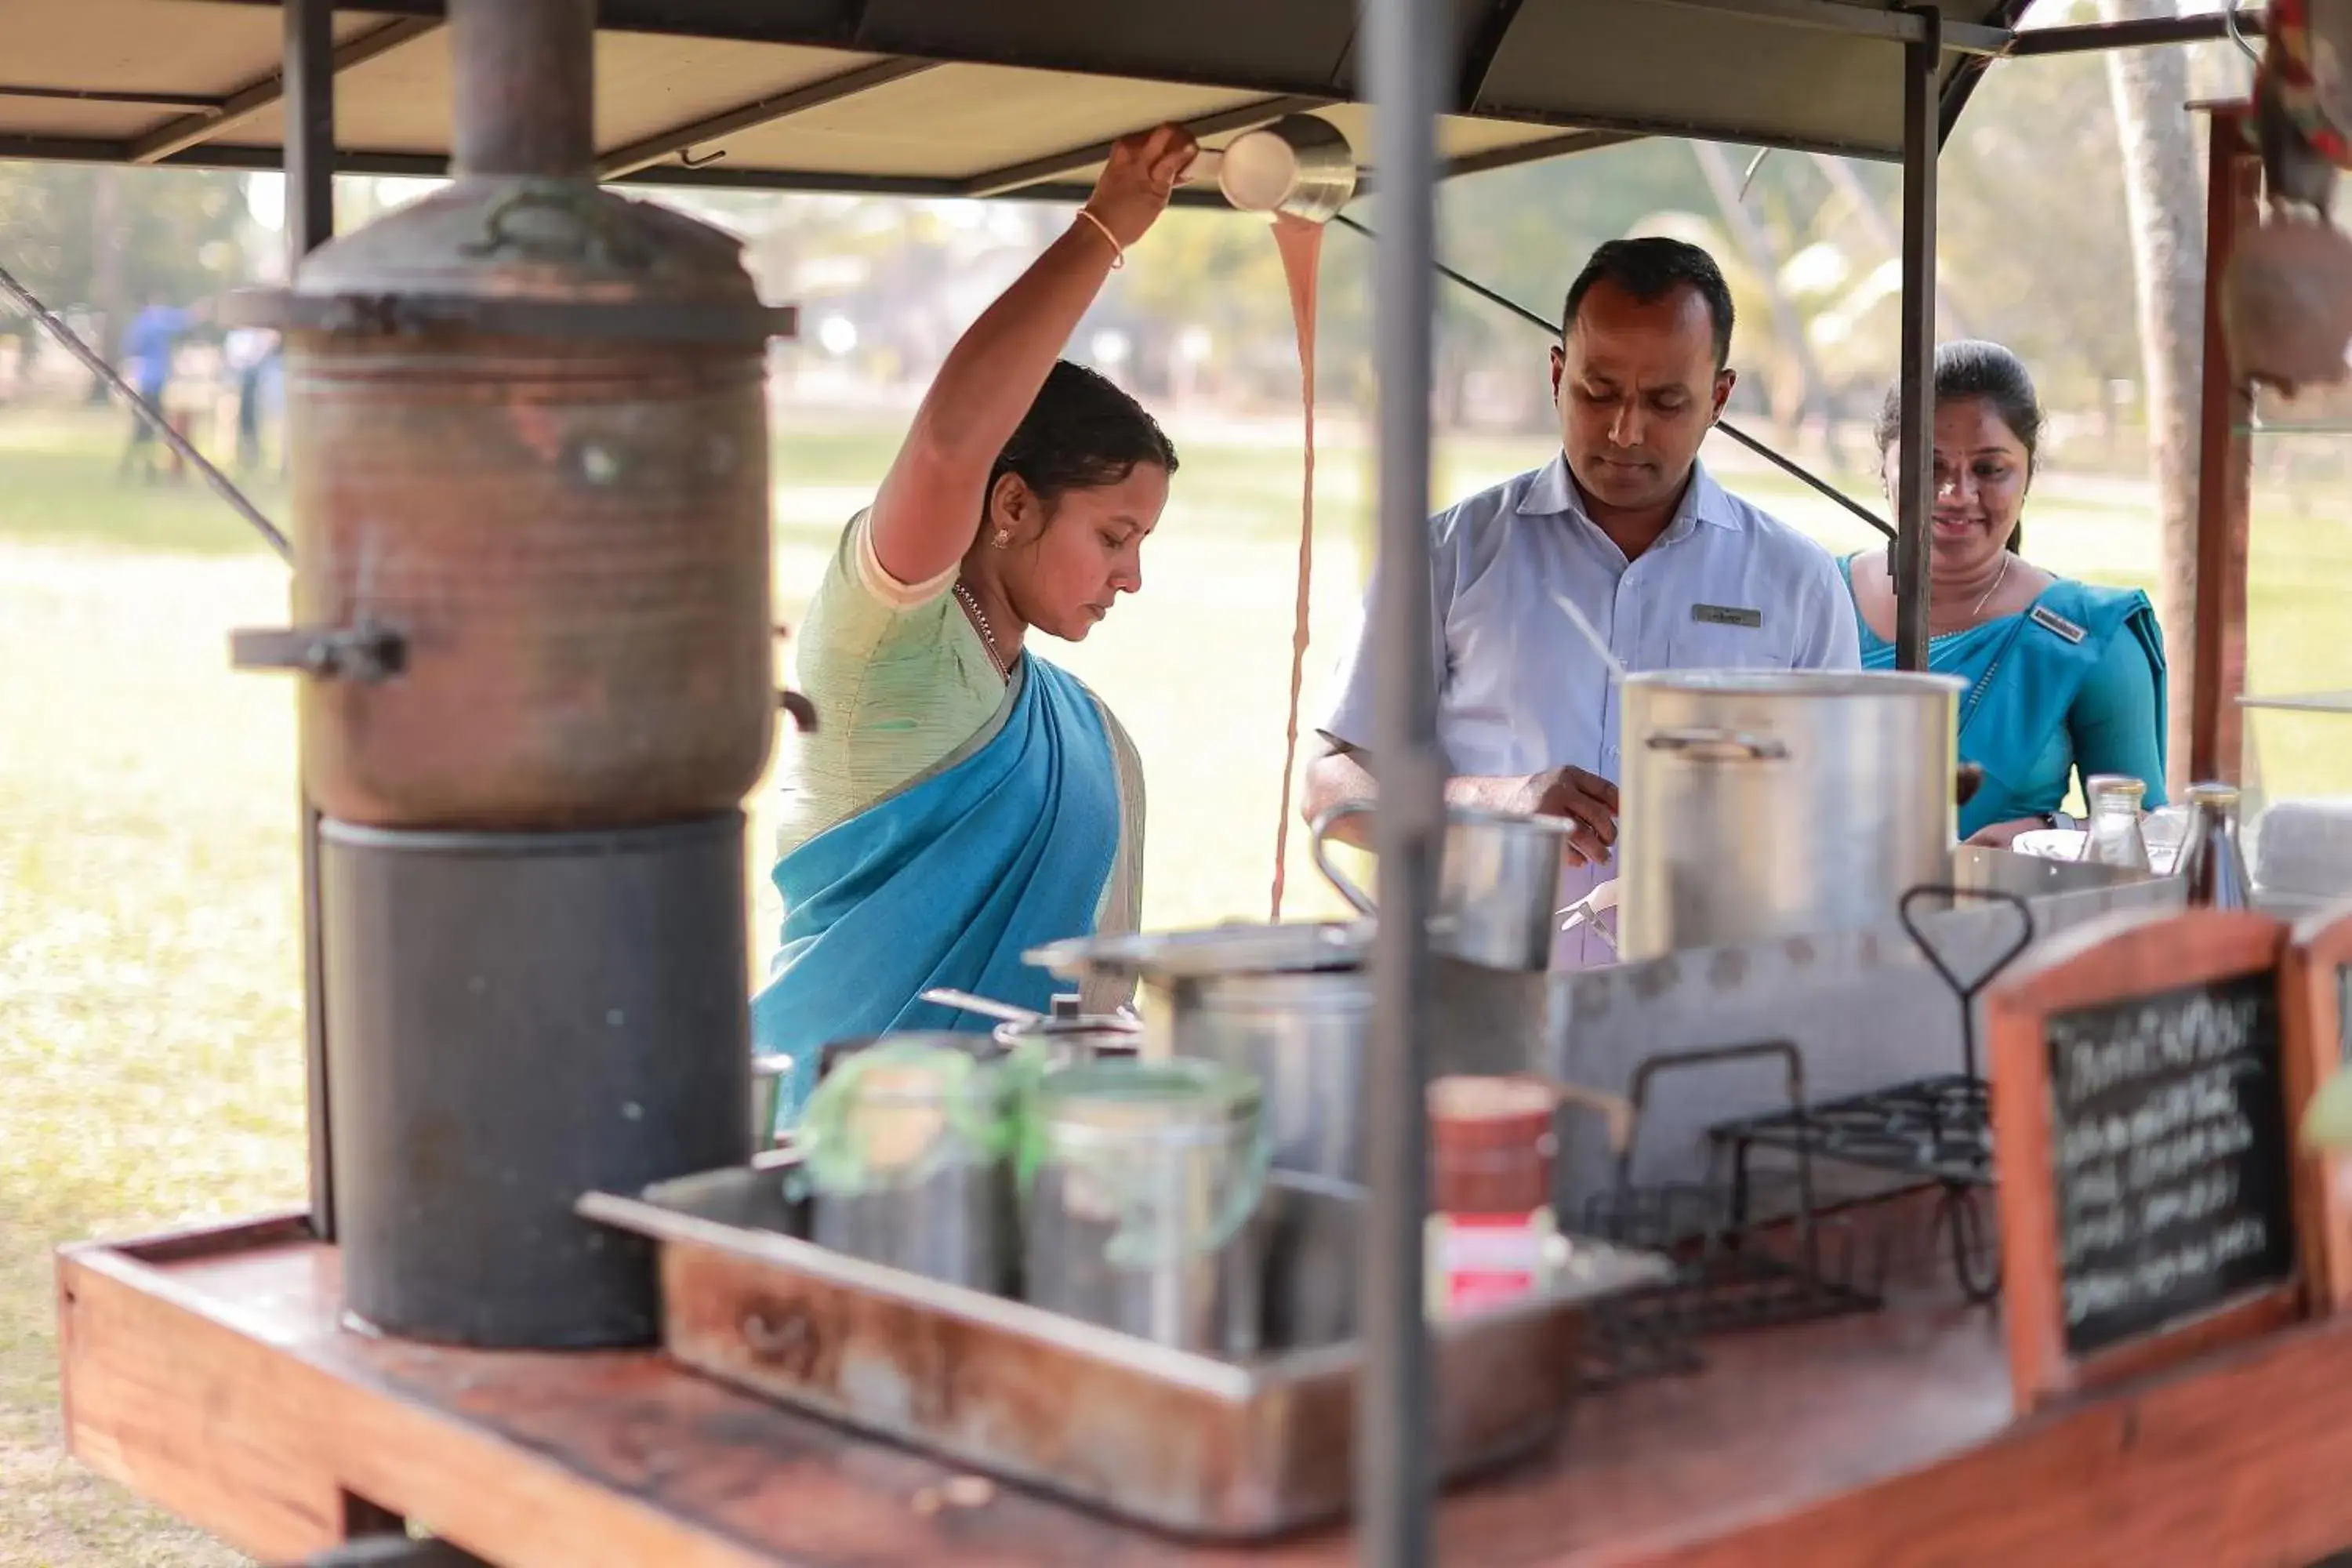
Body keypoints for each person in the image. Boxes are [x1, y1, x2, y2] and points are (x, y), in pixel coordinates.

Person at [752, 123, 1197, 1110]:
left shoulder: (1086, 732)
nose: (1130, 577)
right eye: (1115, 535)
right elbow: (954, 438)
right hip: (828, 1144)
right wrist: (1105, 227)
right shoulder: (887, 638)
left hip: (1011, 1152)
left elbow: (1091, 995)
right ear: (1010, 506)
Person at [1301, 237, 1860, 967]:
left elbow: (1847, 817)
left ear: (1720, 398)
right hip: (1483, 995)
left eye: (1666, 401)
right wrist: (1496, 802)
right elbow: (1330, 788)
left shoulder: (1797, 581)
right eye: (1598, 392)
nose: (1626, 431)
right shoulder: (1449, 556)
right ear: (1557, 374)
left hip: (1708, 1005)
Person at [1842, 340, 2167, 848]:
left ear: (2028, 475)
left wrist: (2045, 832)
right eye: (1929, 465)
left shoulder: (2089, 635)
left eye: (1989, 470)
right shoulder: (1813, 597)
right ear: (1885, 469)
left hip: (2007, 914)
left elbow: (2148, 828)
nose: (1956, 495)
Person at [116, 299, 201, 481]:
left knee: (143, 430)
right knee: (147, 429)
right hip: (151, 386)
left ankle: (137, 469)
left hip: (146, 384)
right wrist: (194, 314)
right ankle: (141, 470)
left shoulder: (139, 324)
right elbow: (177, 324)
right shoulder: (152, 325)